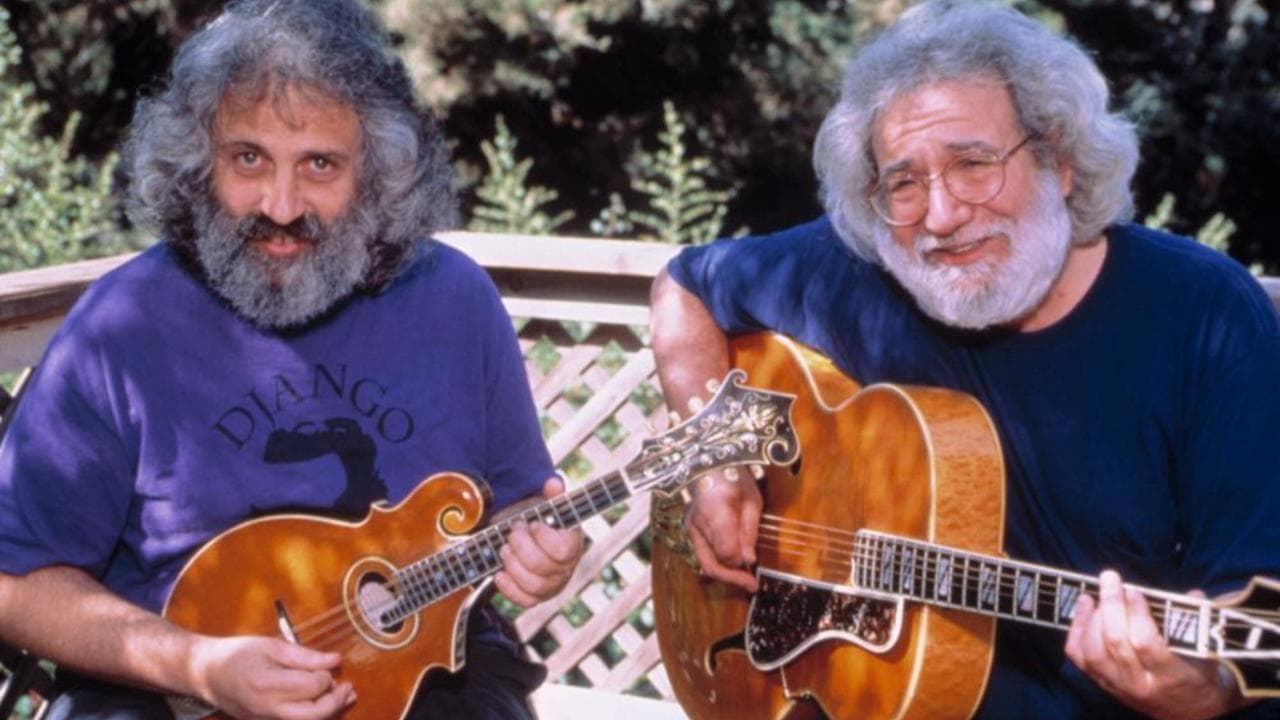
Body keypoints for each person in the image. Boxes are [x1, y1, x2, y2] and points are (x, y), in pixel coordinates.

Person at [648, 1, 1280, 718]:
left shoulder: (1203, 316)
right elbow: (683, 287)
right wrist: (715, 461)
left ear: (1059, 161)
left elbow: (1255, 612)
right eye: (903, 183)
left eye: (974, 165)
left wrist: (1205, 689)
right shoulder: (864, 269)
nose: (941, 216)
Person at [0, 1, 584, 718]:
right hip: (166, 684)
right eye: (248, 158)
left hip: (428, 675)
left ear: (375, 174)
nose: (280, 206)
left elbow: (522, 505)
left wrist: (542, 549)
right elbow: (14, 581)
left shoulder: (453, 300)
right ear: (198, 162)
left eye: (320, 165)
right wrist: (199, 666)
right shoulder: (121, 326)